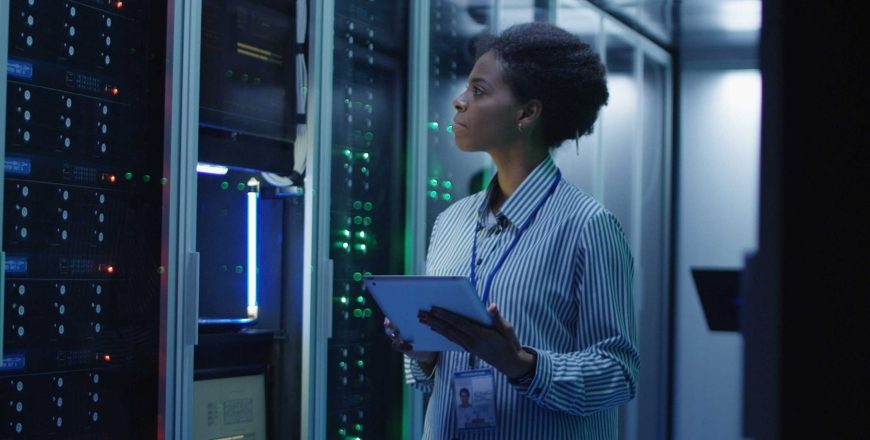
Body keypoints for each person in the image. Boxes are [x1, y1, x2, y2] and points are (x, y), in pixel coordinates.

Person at [385, 22, 638, 439]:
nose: (459, 101)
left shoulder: (588, 226)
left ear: (527, 112)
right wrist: (424, 352)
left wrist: (521, 364)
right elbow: (428, 378)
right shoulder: (451, 222)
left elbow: (619, 373)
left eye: (479, 91)